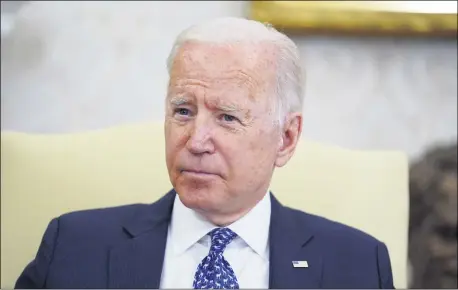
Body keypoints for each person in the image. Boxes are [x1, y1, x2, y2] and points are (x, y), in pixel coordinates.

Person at [15, 17, 394, 289]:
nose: (196, 141)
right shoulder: (74, 246)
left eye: (227, 117)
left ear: (287, 138)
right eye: (183, 111)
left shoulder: (357, 265)